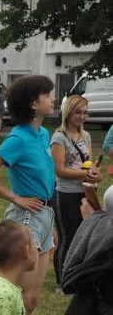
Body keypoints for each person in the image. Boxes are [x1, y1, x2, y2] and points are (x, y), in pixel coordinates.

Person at [0, 75, 58, 315]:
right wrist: (15, 198)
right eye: (47, 95)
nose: (53, 99)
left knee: (31, 300)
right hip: (27, 218)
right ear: (33, 103)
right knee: (21, 297)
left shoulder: (42, 134)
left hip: (44, 215)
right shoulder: (18, 138)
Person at [50, 95, 101, 286]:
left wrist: (94, 173)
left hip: (85, 193)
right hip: (65, 194)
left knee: (85, 237)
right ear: (68, 112)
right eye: (78, 112)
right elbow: (60, 170)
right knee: (68, 237)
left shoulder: (86, 136)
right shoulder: (58, 137)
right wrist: (83, 174)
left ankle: (79, 276)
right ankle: (62, 281)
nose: (82, 116)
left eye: (85, 112)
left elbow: (88, 164)